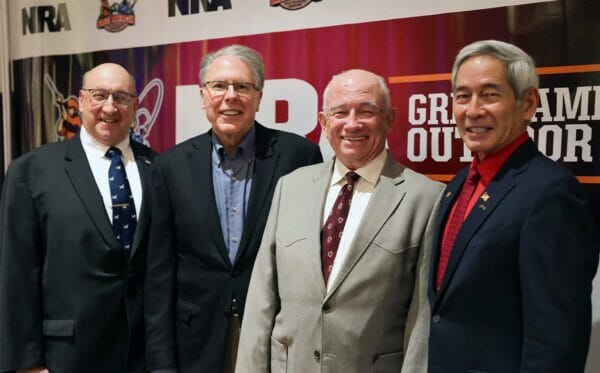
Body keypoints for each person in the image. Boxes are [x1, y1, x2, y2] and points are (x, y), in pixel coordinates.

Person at [235, 69, 444, 372]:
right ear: (323, 122)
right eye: (340, 112)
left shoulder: (425, 198)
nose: (352, 123)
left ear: (389, 118)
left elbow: (422, 320)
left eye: (367, 111)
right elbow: (261, 301)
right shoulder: (290, 187)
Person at [144, 44, 323, 373]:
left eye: (243, 86)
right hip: (195, 341)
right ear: (202, 95)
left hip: (276, 336)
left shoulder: (300, 157)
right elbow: (159, 274)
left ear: (259, 96)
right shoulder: (170, 166)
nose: (230, 96)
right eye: (219, 86)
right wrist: (160, 364)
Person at [426, 40, 599, 372]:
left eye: (490, 95)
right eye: (462, 96)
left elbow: (556, 340)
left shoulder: (552, 194)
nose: (473, 110)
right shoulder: (460, 182)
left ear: (528, 103)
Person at [0, 63, 156, 373]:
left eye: (121, 97)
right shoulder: (31, 171)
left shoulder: (159, 168)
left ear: (134, 104)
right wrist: (26, 362)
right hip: (65, 357)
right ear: (81, 100)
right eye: (100, 95)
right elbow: (16, 272)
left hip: (145, 355)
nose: (110, 107)